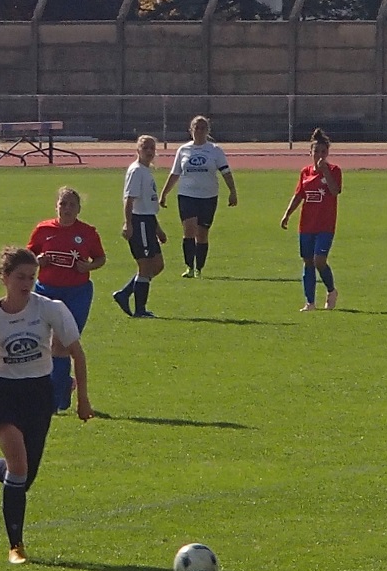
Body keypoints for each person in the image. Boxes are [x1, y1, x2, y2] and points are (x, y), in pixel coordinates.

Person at [0, 247, 93, 565]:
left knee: (23, 477)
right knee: (18, 467)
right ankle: (15, 546)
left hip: (39, 392)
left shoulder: (49, 309)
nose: (27, 283)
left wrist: (83, 399)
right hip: (3, 393)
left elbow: (77, 352)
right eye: (20, 277)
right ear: (4, 277)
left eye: (32, 277)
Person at [28, 186, 106, 412]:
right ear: (56, 206)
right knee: (46, 344)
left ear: (79, 209)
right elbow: (28, 255)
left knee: (63, 344)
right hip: (46, 291)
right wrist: (38, 260)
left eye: (72, 205)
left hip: (76, 293)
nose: (67, 208)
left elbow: (100, 258)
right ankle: (63, 387)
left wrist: (88, 266)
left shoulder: (87, 232)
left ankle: (53, 402)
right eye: (63, 204)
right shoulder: (43, 229)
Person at [160, 115, 238, 277]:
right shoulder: (183, 150)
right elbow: (175, 173)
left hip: (208, 196)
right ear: (191, 130)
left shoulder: (215, 150)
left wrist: (232, 191)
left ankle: (199, 268)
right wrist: (164, 193)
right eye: (197, 128)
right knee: (189, 230)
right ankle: (189, 267)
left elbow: (226, 172)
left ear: (208, 131)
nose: (199, 131)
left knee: (202, 234)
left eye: (203, 128)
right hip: (187, 195)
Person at [280, 127, 342, 311]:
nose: (320, 155)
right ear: (311, 153)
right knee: (308, 261)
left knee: (319, 260)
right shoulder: (305, 172)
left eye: (323, 152)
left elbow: (335, 191)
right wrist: (287, 214)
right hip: (307, 224)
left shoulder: (334, 170)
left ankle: (331, 291)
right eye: (317, 151)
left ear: (327, 153)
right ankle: (310, 302)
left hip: (325, 225)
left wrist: (325, 172)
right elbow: (299, 195)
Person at [113, 134, 167, 318]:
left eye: (152, 148)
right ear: (138, 150)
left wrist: (157, 229)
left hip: (148, 221)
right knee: (145, 266)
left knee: (157, 265)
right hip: (139, 222)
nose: (149, 151)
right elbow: (129, 200)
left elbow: (147, 204)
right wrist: (128, 223)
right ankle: (140, 310)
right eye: (145, 147)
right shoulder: (136, 171)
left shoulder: (146, 171)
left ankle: (125, 293)